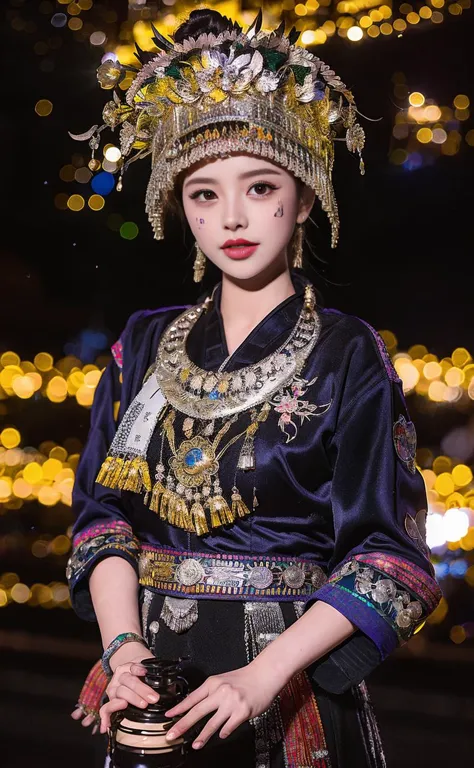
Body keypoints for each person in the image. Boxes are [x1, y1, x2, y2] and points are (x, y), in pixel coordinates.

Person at [66, 9, 441, 767]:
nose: (231, 216)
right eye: (203, 194)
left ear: (303, 199)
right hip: (151, 681)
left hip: (283, 683)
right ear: (181, 207)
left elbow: (388, 559)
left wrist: (263, 677)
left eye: (259, 186)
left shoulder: (346, 354)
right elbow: (102, 521)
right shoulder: (143, 343)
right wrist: (125, 649)